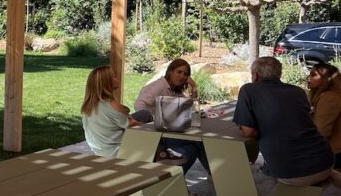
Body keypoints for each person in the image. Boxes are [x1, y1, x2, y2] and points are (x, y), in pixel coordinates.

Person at [234, 57, 340, 187]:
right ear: (279, 75)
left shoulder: (248, 90)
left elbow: (248, 132)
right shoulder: (298, 91)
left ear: (255, 75)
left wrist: (263, 129)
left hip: (292, 172)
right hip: (326, 161)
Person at [132, 58, 209, 174]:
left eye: (185, 74)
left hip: (170, 132)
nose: (182, 76)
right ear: (170, 71)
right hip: (158, 135)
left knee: (193, 148)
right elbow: (139, 104)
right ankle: (213, 173)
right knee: (198, 141)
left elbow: (191, 108)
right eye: (179, 72)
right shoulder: (158, 86)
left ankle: (175, 179)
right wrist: (153, 122)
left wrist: (194, 86)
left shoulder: (175, 90)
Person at [81, 66, 139, 158]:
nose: (117, 78)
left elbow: (121, 113)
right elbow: (132, 124)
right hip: (116, 152)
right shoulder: (111, 104)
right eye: (114, 76)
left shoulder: (88, 105)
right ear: (107, 82)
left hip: (99, 150)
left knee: (142, 114)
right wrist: (152, 126)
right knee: (146, 119)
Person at [308, 62, 341, 168]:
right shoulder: (323, 96)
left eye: (313, 75)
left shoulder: (329, 97)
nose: (308, 78)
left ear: (326, 78)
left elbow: (322, 130)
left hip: (334, 152)